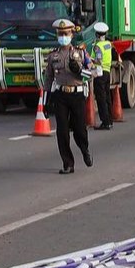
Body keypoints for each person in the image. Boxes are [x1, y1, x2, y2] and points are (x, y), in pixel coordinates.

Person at [44, 19, 92, 174]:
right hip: (61, 96)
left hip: (77, 95)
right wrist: (46, 100)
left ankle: (85, 150)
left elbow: (92, 73)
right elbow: (48, 79)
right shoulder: (53, 55)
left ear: (72, 34)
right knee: (62, 132)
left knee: (79, 130)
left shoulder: (81, 52)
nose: (63, 36)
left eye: (66, 33)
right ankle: (68, 163)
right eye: (60, 34)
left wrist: (79, 70)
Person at [90, 22, 114, 129]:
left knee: (101, 98)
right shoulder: (108, 44)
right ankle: (110, 120)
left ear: (96, 34)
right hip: (108, 72)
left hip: (100, 73)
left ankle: (105, 122)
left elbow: (98, 60)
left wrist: (90, 59)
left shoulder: (97, 46)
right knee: (107, 97)